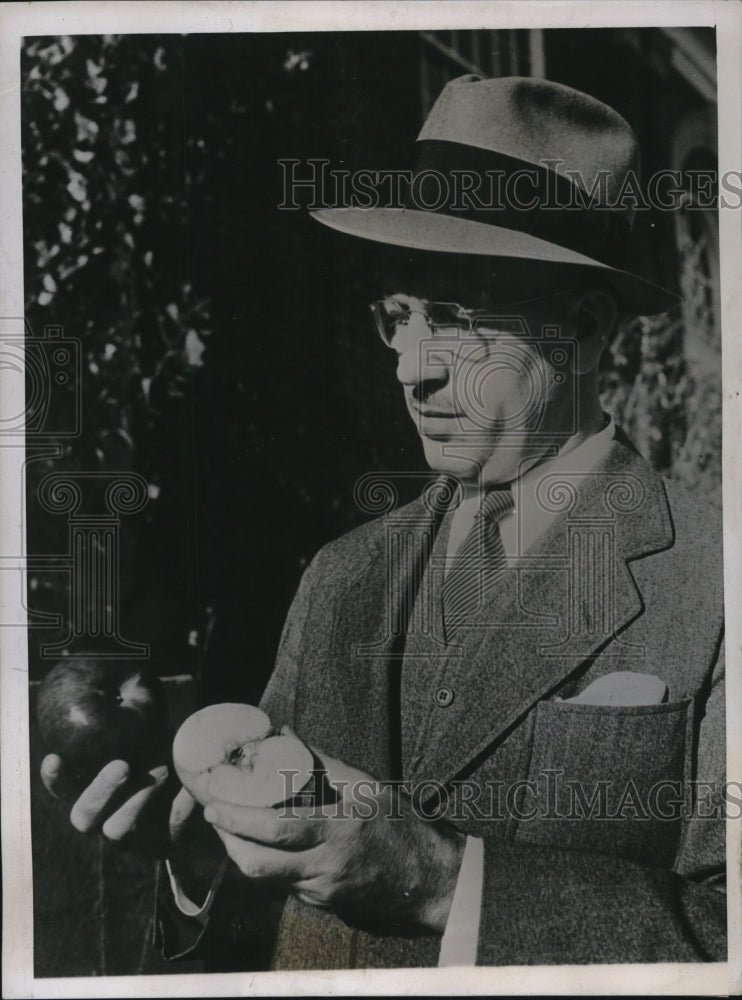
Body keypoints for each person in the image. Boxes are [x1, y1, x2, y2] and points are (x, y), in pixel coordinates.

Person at [40, 74, 727, 969]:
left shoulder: (713, 578)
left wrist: (447, 883)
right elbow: (269, 925)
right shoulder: (340, 576)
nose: (411, 369)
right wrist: (208, 866)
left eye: (455, 317)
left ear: (589, 328)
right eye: (399, 317)